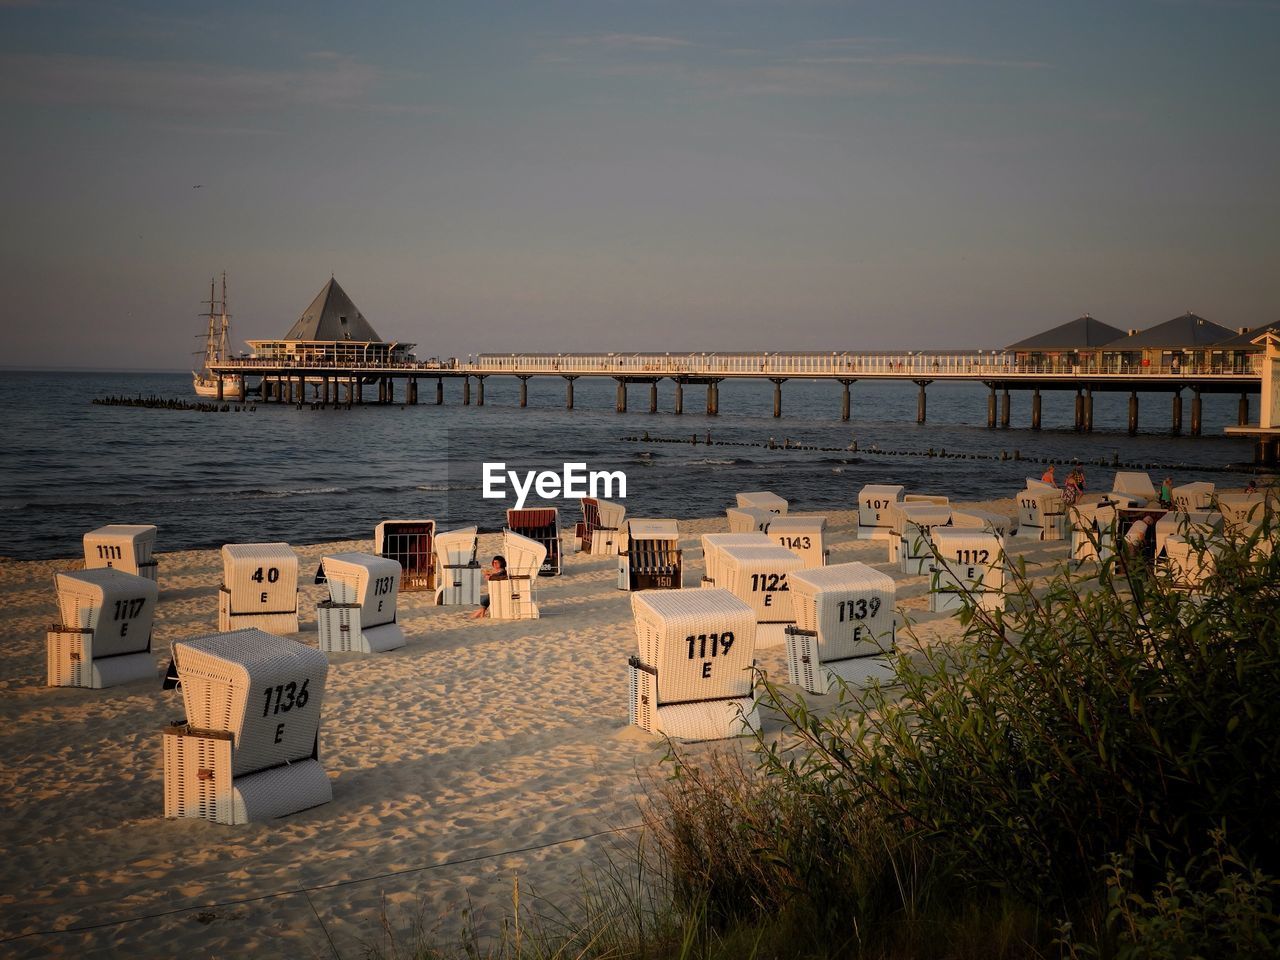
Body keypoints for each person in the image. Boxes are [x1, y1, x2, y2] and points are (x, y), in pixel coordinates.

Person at [469, 555, 508, 619]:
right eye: (493, 563)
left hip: (497, 592)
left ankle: (476, 617)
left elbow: (501, 577)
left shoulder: (502, 572)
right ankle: (479, 617)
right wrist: (489, 575)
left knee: (484, 603)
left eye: (497, 563)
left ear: (501, 563)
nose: (495, 564)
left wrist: (490, 577)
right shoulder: (497, 572)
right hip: (493, 592)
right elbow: (492, 575)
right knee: (484, 605)